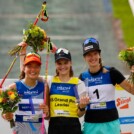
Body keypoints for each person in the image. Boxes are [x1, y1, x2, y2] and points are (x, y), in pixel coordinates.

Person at [18, 42, 90, 134]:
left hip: (73, 128)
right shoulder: (50, 81)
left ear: (71, 63)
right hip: (54, 128)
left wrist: (82, 107)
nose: (62, 66)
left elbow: (80, 114)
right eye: (59, 63)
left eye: (65, 63)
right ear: (55, 64)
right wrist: (22, 54)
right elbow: (27, 74)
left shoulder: (79, 83)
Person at [79, 37, 134, 134]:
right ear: (84, 58)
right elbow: (79, 111)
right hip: (91, 125)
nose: (93, 58)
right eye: (89, 55)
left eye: (95, 53)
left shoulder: (111, 72)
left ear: (99, 54)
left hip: (111, 124)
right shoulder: (82, 78)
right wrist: (82, 106)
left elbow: (131, 90)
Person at [2, 52, 49, 134]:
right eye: (29, 66)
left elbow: (47, 116)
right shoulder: (14, 88)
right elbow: (5, 112)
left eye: (36, 66)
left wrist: (47, 111)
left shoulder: (44, 87)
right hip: (20, 131)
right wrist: (6, 116)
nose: (33, 70)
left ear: (40, 68)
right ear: (24, 68)